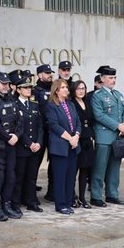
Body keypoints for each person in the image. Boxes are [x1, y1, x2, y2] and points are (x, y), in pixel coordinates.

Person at [90, 66, 124, 207]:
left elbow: (123, 112)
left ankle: (112, 194)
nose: (113, 80)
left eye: (114, 78)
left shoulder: (118, 95)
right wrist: (117, 125)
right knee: (100, 168)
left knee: (114, 168)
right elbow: (99, 115)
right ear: (102, 79)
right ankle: (95, 196)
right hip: (104, 137)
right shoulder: (97, 95)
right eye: (110, 78)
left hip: (117, 137)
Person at [0, 71, 21, 221]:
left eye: (7, 83)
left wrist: (16, 135)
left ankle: (7, 205)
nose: (6, 86)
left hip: (12, 144)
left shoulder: (12, 99)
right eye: (3, 83)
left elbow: (19, 121)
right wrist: (8, 137)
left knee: (10, 176)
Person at [45, 79, 81, 214]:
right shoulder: (51, 106)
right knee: (60, 177)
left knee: (71, 176)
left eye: (67, 87)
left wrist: (76, 135)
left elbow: (78, 122)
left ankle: (68, 201)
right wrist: (70, 138)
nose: (66, 89)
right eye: (63, 87)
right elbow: (54, 125)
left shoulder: (70, 104)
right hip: (60, 147)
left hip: (73, 146)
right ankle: (60, 204)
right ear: (56, 90)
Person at [12, 75, 44, 213]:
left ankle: (31, 201)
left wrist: (38, 142)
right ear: (18, 90)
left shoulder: (34, 105)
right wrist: (29, 143)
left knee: (32, 177)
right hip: (22, 147)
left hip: (34, 147)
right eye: (25, 87)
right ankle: (16, 203)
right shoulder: (14, 105)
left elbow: (40, 127)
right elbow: (18, 128)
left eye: (29, 87)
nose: (28, 89)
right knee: (19, 177)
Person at [70, 80, 94, 209]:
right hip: (76, 139)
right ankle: (72, 197)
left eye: (83, 88)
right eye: (78, 88)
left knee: (85, 170)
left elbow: (91, 121)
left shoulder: (87, 102)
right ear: (74, 90)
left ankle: (83, 197)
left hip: (87, 140)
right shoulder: (71, 103)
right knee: (74, 170)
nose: (81, 91)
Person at [33, 64, 55, 202]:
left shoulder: (54, 89)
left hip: (53, 132)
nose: (49, 75)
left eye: (50, 73)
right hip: (40, 132)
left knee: (53, 163)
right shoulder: (35, 91)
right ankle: (30, 192)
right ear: (40, 75)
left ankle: (52, 191)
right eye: (47, 73)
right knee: (35, 162)